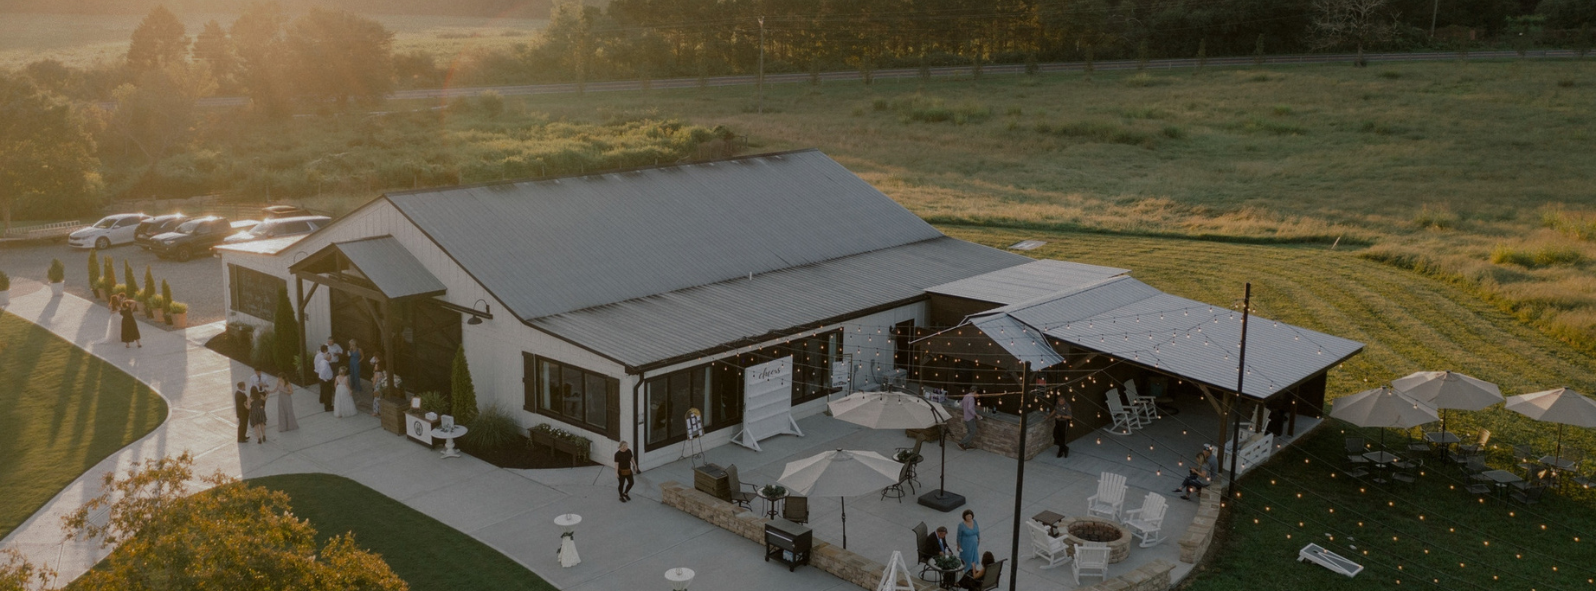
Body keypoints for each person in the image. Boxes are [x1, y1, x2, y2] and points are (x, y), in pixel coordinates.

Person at [1048, 393, 1073, 458]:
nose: (1061, 403)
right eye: (1060, 401)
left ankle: (1061, 451)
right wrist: (1049, 416)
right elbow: (1055, 410)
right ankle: (1065, 448)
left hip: (1063, 423)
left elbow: (1070, 417)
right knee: (1055, 435)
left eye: (1062, 401)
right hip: (1057, 422)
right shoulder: (1057, 404)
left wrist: (1061, 416)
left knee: (1062, 437)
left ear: (1064, 400)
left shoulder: (1067, 406)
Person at [314, 345, 334, 412]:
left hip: (320, 375)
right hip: (325, 379)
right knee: (327, 393)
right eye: (330, 357)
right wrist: (326, 380)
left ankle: (322, 399)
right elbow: (322, 373)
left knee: (323, 390)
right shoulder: (325, 363)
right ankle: (328, 406)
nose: (331, 358)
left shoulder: (320, 359)